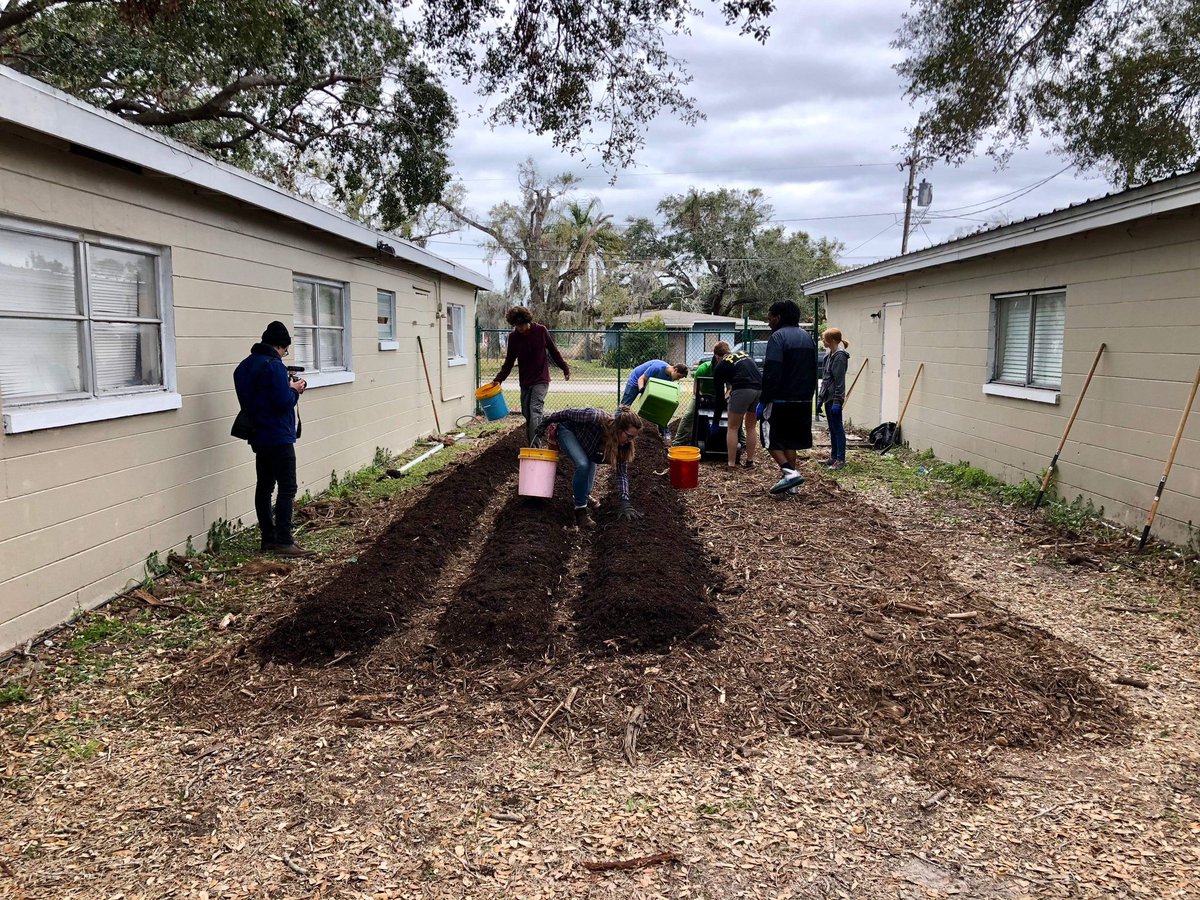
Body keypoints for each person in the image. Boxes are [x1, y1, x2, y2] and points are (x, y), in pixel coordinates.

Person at [233, 320, 309, 556]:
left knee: (264, 486)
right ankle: (284, 541)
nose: (286, 354)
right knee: (288, 487)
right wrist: (294, 390)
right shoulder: (275, 367)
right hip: (279, 435)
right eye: (286, 350)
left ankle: (268, 538)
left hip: (258, 435)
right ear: (280, 346)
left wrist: (284, 387)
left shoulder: (244, 367)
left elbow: (259, 399)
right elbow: (282, 402)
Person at [537, 407, 645, 528]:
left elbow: (622, 474)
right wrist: (547, 421)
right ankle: (580, 511)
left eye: (633, 438)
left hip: (587, 446)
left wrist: (625, 501)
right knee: (583, 464)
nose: (630, 441)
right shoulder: (595, 417)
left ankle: (584, 496)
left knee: (589, 468)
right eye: (629, 436)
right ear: (619, 429)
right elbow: (568, 413)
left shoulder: (622, 446)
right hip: (568, 431)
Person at [758, 300, 818, 495]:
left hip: (781, 399)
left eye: (770, 318)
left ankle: (789, 473)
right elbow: (813, 370)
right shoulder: (807, 338)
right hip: (803, 400)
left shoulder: (778, 337)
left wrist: (765, 398)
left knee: (769, 439)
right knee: (790, 442)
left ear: (779, 317)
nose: (769, 323)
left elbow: (772, 371)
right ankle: (792, 486)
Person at [487, 306, 570, 445]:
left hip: (541, 379)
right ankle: (541, 435)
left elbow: (554, 351)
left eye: (522, 325)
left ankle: (535, 447)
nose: (520, 328)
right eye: (516, 326)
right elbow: (509, 362)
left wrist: (565, 368)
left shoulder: (541, 331)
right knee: (527, 413)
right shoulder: (513, 338)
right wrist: (498, 379)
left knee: (535, 410)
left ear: (528, 321)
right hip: (525, 381)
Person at [711, 341, 762, 469]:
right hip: (759, 389)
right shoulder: (743, 354)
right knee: (751, 427)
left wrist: (716, 421)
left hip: (742, 389)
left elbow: (719, 397)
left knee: (733, 427)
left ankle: (731, 464)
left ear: (717, 356)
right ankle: (750, 461)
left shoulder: (720, 364)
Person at [620, 358, 687, 441]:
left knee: (661, 407)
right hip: (636, 380)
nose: (678, 379)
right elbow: (641, 379)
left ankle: (664, 432)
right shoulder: (657, 367)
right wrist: (642, 390)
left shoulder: (670, 378)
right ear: (675, 370)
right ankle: (616, 427)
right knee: (625, 406)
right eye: (679, 376)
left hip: (649, 385)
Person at [818, 327, 851, 470]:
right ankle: (833, 456)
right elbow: (825, 379)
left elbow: (839, 382)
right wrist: (820, 398)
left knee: (837, 428)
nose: (822, 341)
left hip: (834, 398)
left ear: (831, 340)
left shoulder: (840, 356)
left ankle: (840, 459)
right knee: (831, 427)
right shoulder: (829, 355)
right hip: (827, 396)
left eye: (824, 339)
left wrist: (838, 401)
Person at [671, 354, 715, 447]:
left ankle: (741, 442)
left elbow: (729, 388)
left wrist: (723, 398)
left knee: (732, 415)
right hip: (701, 394)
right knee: (689, 415)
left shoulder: (725, 370)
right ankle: (678, 442)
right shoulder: (703, 369)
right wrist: (702, 398)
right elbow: (696, 390)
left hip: (717, 396)